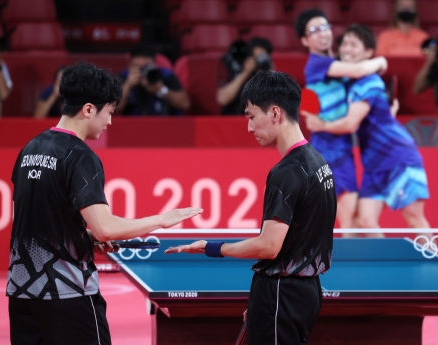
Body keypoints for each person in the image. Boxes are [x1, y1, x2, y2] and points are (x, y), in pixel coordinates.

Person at [7, 61, 202, 345]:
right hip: (68, 292)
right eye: (108, 112)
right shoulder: (81, 155)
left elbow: (31, 221)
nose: (110, 121)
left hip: (21, 293)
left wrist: (81, 237)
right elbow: (105, 229)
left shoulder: (30, 148)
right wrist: (160, 220)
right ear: (88, 109)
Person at [166, 71, 337, 345]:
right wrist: (261, 306)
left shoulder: (286, 172)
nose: (249, 127)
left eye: (251, 116)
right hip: (304, 292)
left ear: (275, 114)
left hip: (282, 292)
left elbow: (269, 247)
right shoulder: (318, 162)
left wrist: (211, 247)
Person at [302, 24, 430, 233]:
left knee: (414, 218)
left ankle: (435, 265)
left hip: (398, 157)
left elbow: (351, 123)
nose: (346, 49)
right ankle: (386, 266)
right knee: (365, 221)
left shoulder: (368, 82)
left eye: (354, 45)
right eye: (344, 44)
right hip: (373, 162)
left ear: (368, 52)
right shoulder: (349, 83)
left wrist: (321, 125)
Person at [294, 8, 387, 231]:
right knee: (348, 222)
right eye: (314, 30)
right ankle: (352, 266)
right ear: (305, 40)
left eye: (325, 27)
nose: (323, 33)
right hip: (329, 148)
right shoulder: (317, 63)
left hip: (342, 145)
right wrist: (381, 60)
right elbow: (360, 69)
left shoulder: (333, 64)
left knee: (353, 220)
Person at [116, 45, 190, 115]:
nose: (142, 71)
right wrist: (128, 85)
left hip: (163, 124)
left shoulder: (165, 75)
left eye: (146, 66)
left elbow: (185, 104)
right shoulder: (123, 76)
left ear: (155, 65)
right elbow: (115, 109)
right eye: (137, 66)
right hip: (132, 125)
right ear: (129, 66)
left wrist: (160, 90)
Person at [217, 37, 274, 115]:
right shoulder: (231, 70)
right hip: (232, 119)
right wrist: (245, 72)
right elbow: (223, 99)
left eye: (261, 58)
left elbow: (270, 103)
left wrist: (267, 75)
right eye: (254, 57)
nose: (257, 61)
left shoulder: (267, 73)